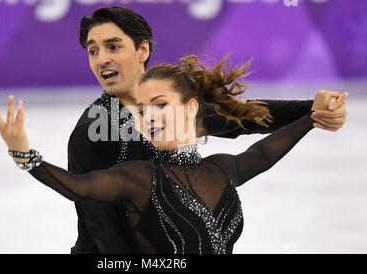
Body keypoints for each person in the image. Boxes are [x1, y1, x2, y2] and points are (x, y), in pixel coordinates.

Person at [0, 54, 348, 254]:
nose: (149, 117)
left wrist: (311, 118)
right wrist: (25, 154)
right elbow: (76, 187)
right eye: (142, 111)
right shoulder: (137, 177)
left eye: (160, 105)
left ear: (192, 107)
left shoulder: (220, 169)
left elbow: (263, 151)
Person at [62, 7, 347, 253]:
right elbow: (106, 236)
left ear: (142, 50)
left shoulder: (173, 106)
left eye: (113, 47)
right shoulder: (90, 135)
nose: (101, 59)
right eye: (93, 51)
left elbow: (241, 117)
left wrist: (314, 109)